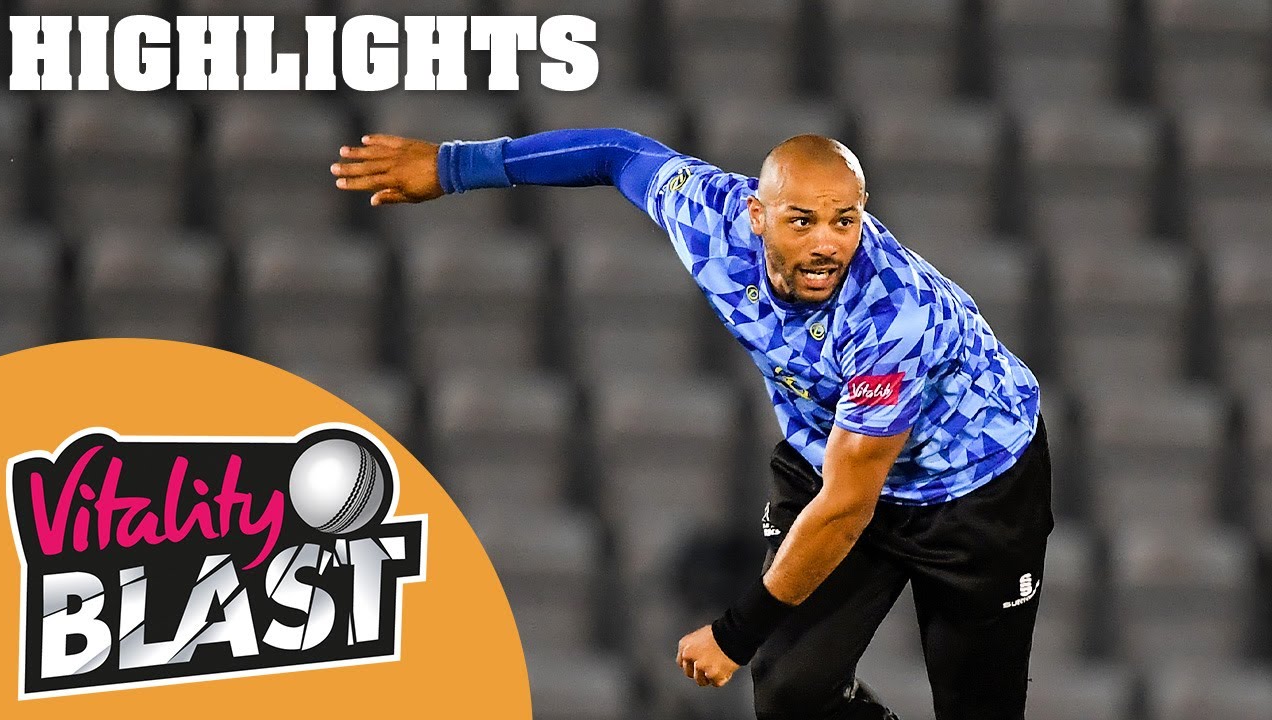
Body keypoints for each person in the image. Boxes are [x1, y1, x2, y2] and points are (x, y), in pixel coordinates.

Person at [331, 128, 1054, 720]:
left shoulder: (893, 315)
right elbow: (615, 154)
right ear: (756, 215)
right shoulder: (711, 218)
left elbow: (845, 508)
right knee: (790, 695)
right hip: (835, 458)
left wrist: (734, 634)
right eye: (802, 220)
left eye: (845, 219)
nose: (829, 243)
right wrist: (456, 167)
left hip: (976, 488)